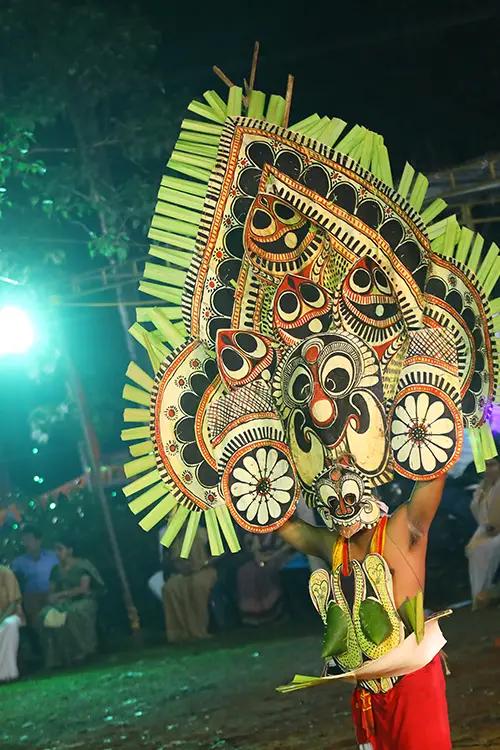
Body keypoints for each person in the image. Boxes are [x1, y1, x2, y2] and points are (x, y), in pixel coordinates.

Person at [279, 475, 452, 750]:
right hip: (368, 690)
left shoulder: (402, 526)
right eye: (333, 501)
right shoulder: (334, 546)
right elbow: (277, 520)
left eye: (348, 496)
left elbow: (433, 472)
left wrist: (435, 449)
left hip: (413, 680)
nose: (342, 509)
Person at [38, 536, 104, 668]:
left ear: (70, 550)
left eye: (60, 549)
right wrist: (52, 598)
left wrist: (63, 594)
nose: (57, 553)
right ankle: (57, 658)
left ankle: (84, 651)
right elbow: (51, 591)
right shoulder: (55, 570)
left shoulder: (82, 565)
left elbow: (84, 589)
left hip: (83, 600)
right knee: (45, 615)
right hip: (62, 603)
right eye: (55, 550)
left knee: (73, 613)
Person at [162, 527, 216, 643]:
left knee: (196, 585)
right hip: (183, 573)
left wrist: (203, 564)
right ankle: (178, 633)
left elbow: (221, 554)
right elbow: (168, 560)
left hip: (206, 569)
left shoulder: (204, 531)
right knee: (170, 588)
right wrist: (179, 567)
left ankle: (199, 630)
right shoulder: (172, 536)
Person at [466, 458, 500, 608]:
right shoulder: (483, 486)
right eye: (485, 465)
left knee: (485, 548)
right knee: (477, 549)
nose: (488, 469)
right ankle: (480, 594)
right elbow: (477, 511)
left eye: (492, 465)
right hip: (486, 530)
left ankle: (486, 593)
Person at [236, 533, 290, 626]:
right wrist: (260, 557)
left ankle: (273, 611)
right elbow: (255, 552)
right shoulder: (253, 533)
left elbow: (286, 548)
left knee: (265, 571)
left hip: (281, 557)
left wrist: (271, 557)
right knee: (246, 571)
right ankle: (253, 613)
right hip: (261, 559)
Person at [11, 525, 58, 627]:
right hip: (31, 598)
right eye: (24, 540)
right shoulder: (18, 562)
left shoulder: (53, 557)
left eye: (29, 539)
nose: (26, 543)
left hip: (52, 594)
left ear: (38, 541)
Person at [0, 565, 23, 682]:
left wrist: (1, 620)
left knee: (9, 624)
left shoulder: (6, 573)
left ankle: (9, 673)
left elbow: (13, 603)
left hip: (10, 615)